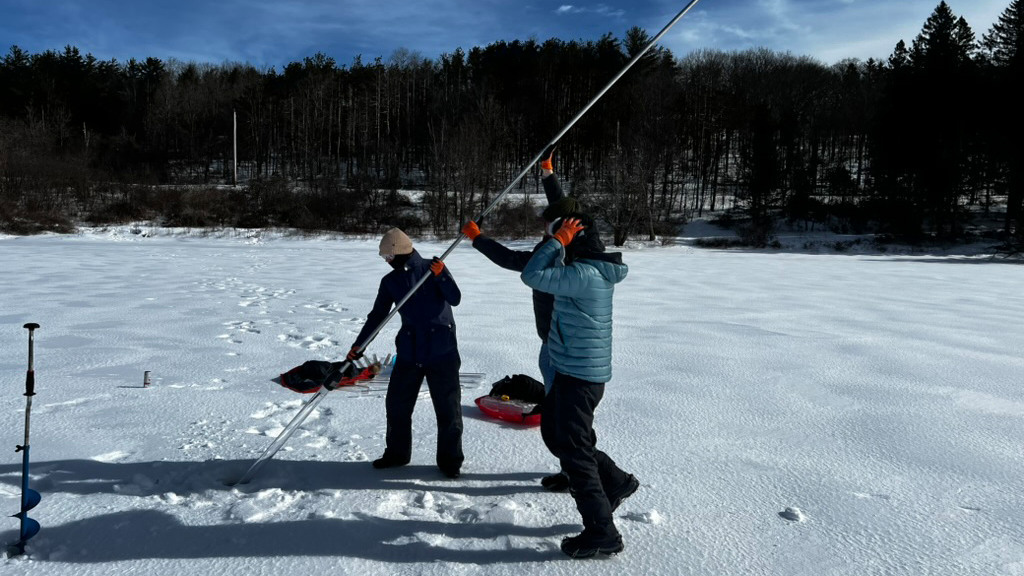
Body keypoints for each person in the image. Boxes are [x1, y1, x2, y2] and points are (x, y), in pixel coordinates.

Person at [519, 214, 639, 559]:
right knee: (557, 435)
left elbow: (532, 275)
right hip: (574, 371)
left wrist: (558, 242)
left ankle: (602, 533)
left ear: (576, 242)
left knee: (575, 452)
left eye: (565, 235)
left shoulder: (584, 275)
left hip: (580, 377)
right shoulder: (588, 270)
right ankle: (615, 480)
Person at [460, 147, 576, 491]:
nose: (542, 223)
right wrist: (547, 172)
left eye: (546, 223)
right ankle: (573, 466)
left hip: (561, 349)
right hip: (556, 345)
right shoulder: (568, 246)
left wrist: (478, 239)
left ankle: (576, 471)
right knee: (565, 414)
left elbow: (511, 259)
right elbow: (562, 210)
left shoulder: (554, 260)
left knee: (564, 415)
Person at [348, 227, 464, 479]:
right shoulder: (390, 282)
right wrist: (360, 345)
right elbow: (378, 315)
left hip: (441, 350)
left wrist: (442, 276)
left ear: (398, 252)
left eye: (388, 257)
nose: (386, 262)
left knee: (448, 409)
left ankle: (450, 461)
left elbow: (455, 298)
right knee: (397, 405)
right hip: (410, 350)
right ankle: (397, 454)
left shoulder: (432, 268)